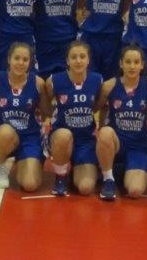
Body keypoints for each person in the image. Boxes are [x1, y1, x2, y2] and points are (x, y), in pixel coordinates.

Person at [95, 44, 147, 200]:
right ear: (121, 64)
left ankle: (120, 169)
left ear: (142, 65)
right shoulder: (109, 85)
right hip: (117, 143)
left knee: (135, 191)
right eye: (128, 62)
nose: (132, 66)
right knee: (105, 133)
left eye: (136, 62)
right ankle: (108, 179)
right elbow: (96, 108)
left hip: (139, 146)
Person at [0, 42, 50, 191]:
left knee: (30, 185)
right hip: (5, 136)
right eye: (17, 58)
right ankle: (0, 167)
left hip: (29, 138)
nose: (20, 63)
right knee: (4, 131)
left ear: (30, 62)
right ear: (9, 59)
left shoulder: (38, 83)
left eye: (25, 59)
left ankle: (29, 159)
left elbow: (47, 114)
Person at [45, 40, 102, 196]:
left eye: (82, 56)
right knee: (64, 135)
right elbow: (45, 105)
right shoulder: (54, 81)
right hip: (61, 136)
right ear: (67, 60)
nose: (78, 61)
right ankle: (60, 176)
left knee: (86, 188)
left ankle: (78, 169)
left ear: (88, 60)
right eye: (74, 57)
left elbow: (99, 105)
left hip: (85, 141)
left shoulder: (97, 80)